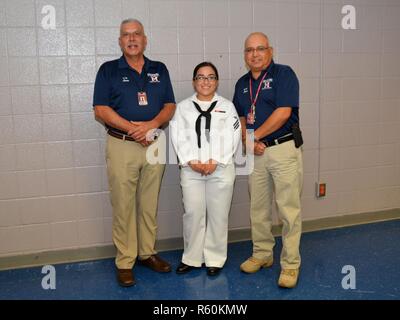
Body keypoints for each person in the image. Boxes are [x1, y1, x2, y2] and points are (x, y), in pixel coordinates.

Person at [93, 19, 176, 287]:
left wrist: (150, 126)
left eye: (136, 34)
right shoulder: (108, 70)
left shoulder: (159, 69)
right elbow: (101, 110)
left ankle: (147, 253)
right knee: (123, 204)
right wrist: (133, 129)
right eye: (126, 35)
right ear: (120, 41)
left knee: (149, 202)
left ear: (145, 39)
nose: (131, 39)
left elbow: (169, 105)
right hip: (122, 145)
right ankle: (125, 261)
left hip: (155, 143)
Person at [233, 32, 303, 288]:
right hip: (256, 152)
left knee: (288, 210)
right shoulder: (242, 83)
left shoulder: (284, 74)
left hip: (282, 148)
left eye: (260, 48)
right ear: (245, 55)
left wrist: (254, 137)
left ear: (270, 51)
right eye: (249, 50)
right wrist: (247, 140)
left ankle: (291, 264)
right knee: (258, 209)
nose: (255, 54)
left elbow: (283, 113)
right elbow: (240, 117)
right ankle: (262, 254)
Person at [170, 62, 241, 276]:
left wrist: (215, 160)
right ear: (194, 82)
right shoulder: (183, 107)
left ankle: (215, 259)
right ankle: (192, 258)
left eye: (210, 77)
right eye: (200, 77)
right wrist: (191, 160)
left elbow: (234, 135)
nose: (205, 81)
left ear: (216, 81)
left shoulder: (227, 107)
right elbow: (177, 136)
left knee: (218, 215)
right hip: (192, 170)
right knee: (192, 213)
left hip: (219, 169)